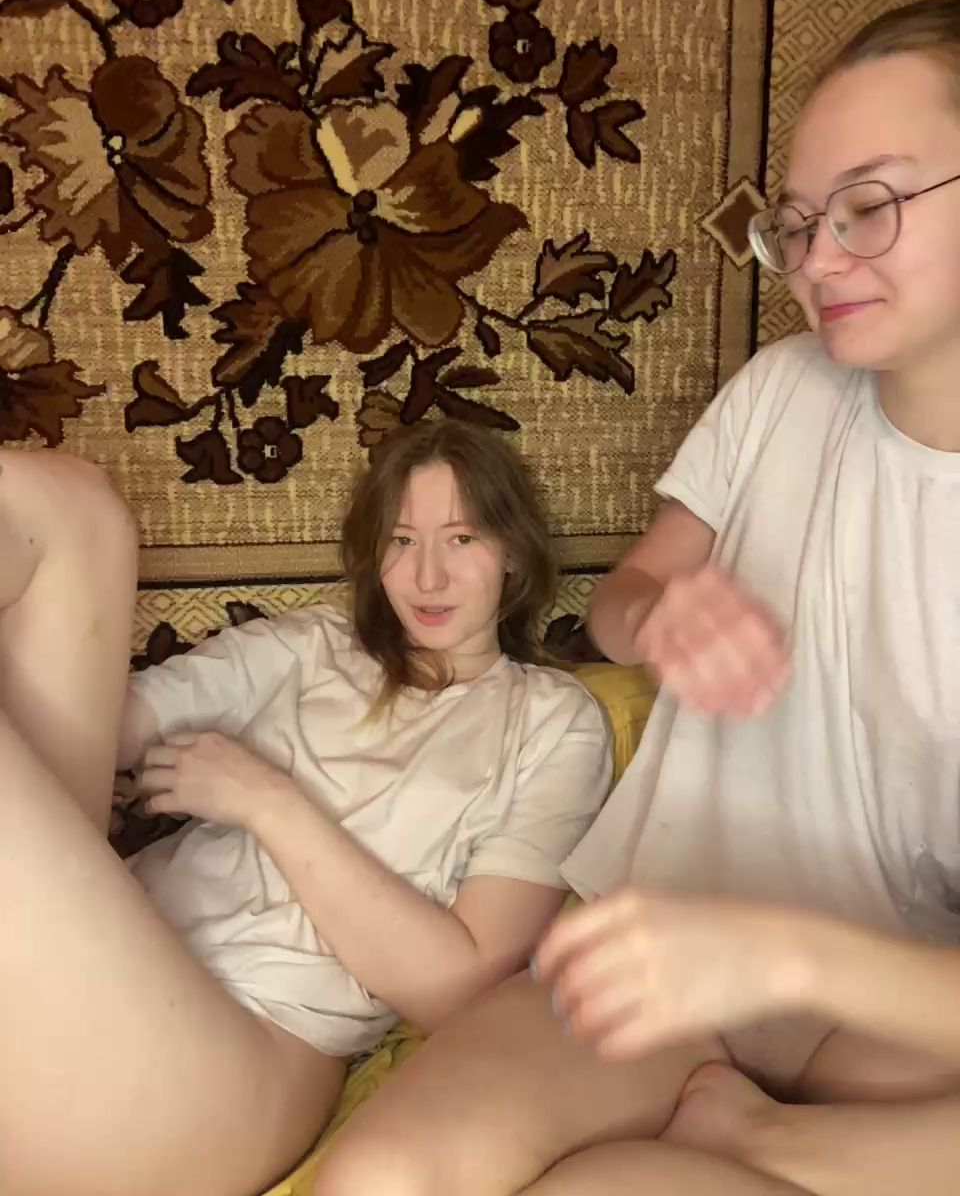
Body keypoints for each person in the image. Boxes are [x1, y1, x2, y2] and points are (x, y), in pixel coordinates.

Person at [312, 0, 960, 1196]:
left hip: (874, 1011)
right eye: (797, 224)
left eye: (868, 206)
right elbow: (625, 600)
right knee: (384, 1178)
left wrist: (779, 956)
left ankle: (766, 1143)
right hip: (650, 948)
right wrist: (661, 612)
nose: (818, 262)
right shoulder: (784, 389)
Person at [0, 420, 612, 1196]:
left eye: (461, 539)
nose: (427, 576)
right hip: (96, 958)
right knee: (71, 508)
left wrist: (262, 799)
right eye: (401, 541)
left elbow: (455, 988)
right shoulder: (318, 645)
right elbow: (92, 722)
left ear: (513, 553)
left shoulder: (554, 722)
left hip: (233, 1059)